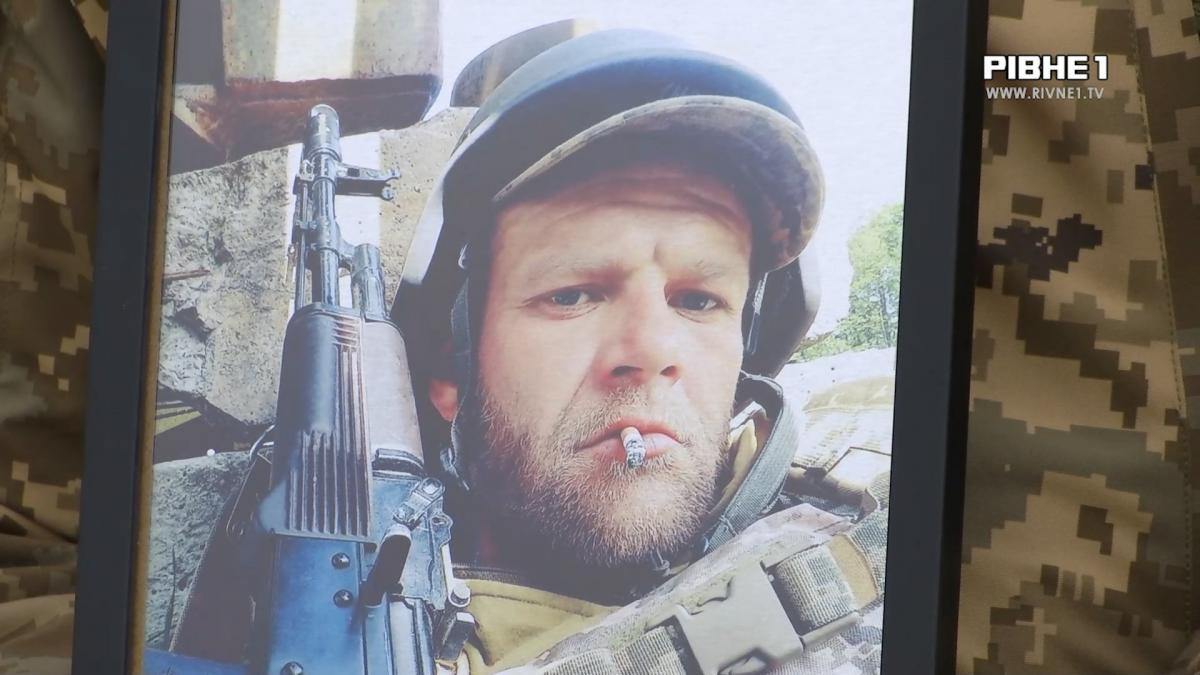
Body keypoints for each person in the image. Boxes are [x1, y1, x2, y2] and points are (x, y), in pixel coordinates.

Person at [392, 28, 890, 673]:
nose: (653, 350)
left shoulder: (869, 545)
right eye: (571, 295)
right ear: (451, 372)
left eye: (699, 300)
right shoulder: (345, 614)